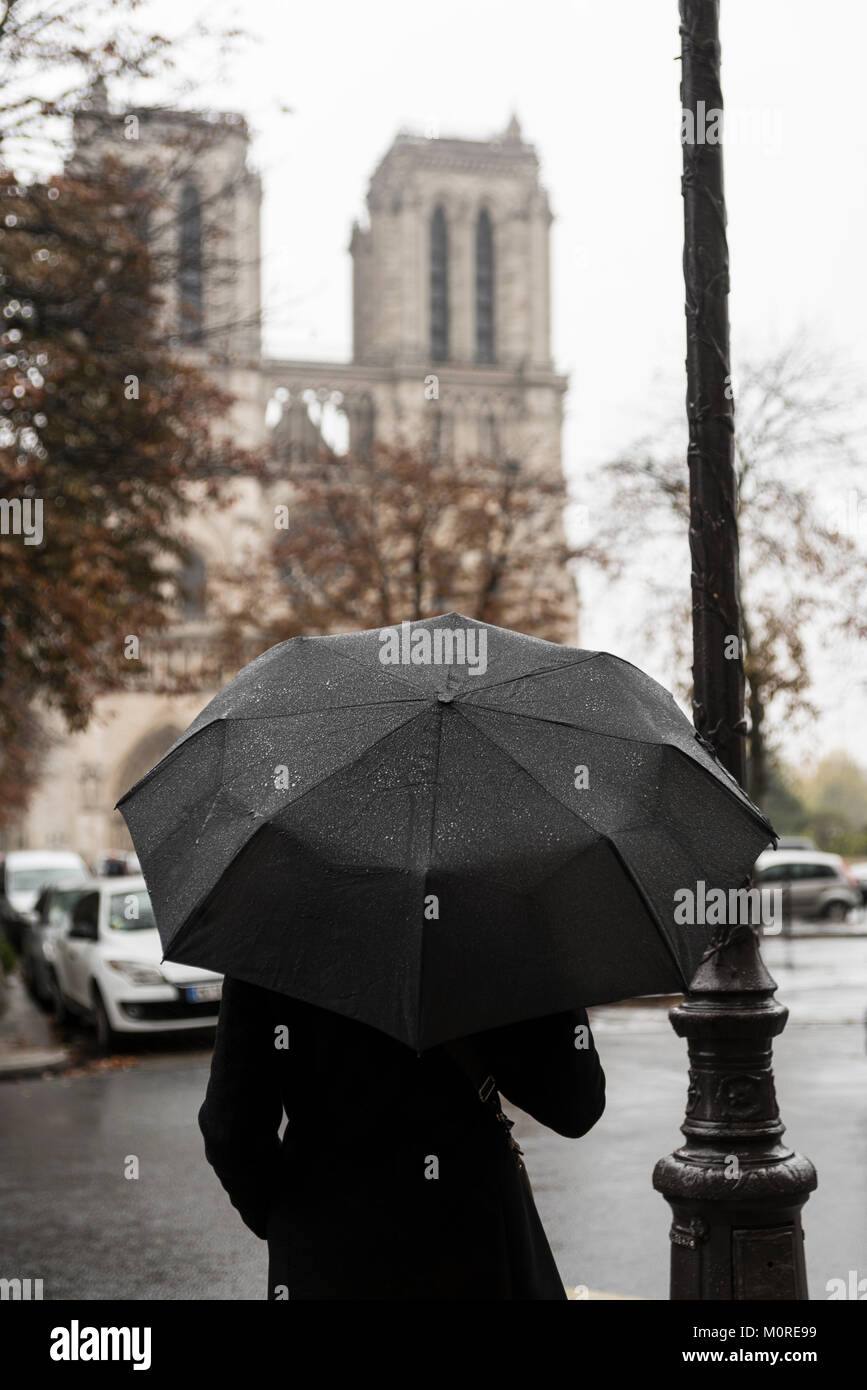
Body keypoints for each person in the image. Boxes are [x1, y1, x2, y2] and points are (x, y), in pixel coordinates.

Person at [198, 976, 606, 1301]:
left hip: (326, 1254)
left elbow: (229, 1130)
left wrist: (297, 1222)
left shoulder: (277, 917)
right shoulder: (497, 910)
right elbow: (575, 1106)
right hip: (477, 1243)